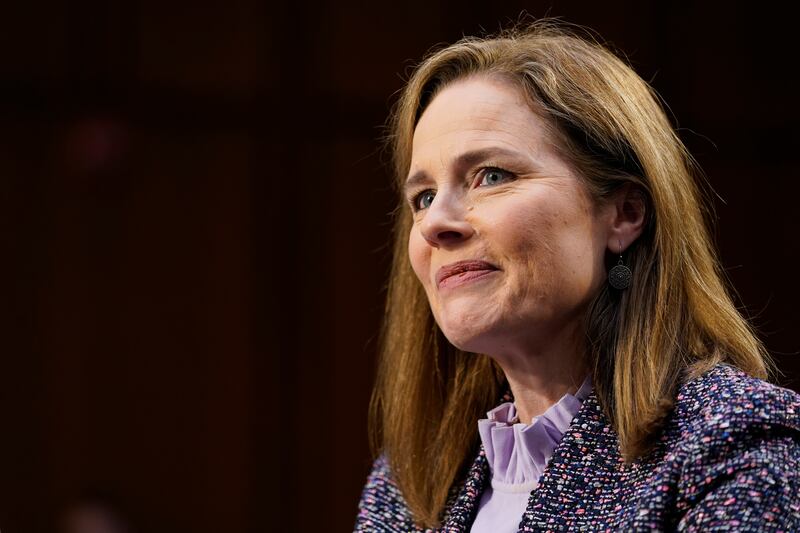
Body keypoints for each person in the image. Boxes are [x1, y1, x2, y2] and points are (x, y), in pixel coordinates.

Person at [353, 19, 800, 532]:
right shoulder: (409, 482)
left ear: (625, 214)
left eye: (491, 176)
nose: (435, 223)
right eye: (423, 197)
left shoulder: (731, 442)